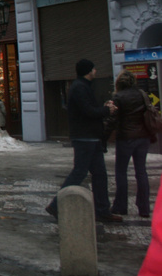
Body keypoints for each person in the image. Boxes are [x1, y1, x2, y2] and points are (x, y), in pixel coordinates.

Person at [45, 59, 122, 223]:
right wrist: (107, 110)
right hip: (85, 137)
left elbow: (89, 109)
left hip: (91, 137)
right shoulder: (79, 88)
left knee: (99, 174)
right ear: (88, 71)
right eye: (94, 69)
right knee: (79, 172)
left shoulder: (83, 87)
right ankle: (56, 205)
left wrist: (103, 107)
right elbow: (88, 111)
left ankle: (102, 210)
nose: (96, 71)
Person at [111, 69, 153, 217]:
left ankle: (121, 206)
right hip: (143, 137)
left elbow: (113, 119)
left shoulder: (118, 97)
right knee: (141, 171)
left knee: (121, 171)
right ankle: (144, 208)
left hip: (126, 138)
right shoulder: (142, 94)